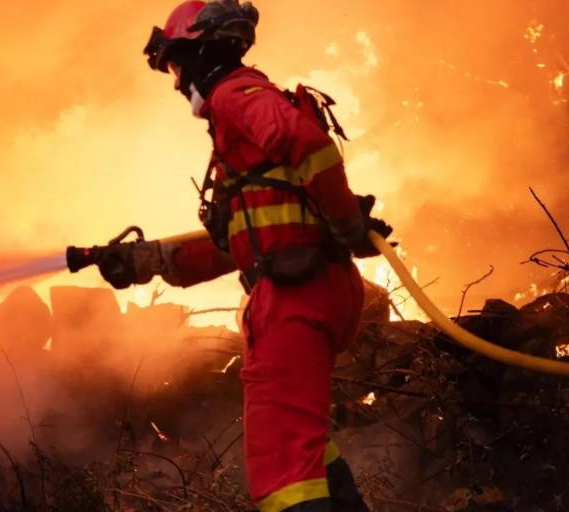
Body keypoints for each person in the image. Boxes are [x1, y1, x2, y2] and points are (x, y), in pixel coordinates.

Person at [102, 1, 392, 510]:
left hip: (293, 300)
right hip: (309, 289)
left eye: (175, 64)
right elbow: (249, 237)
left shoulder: (233, 94)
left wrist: (346, 224)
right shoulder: (242, 125)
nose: (175, 82)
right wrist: (151, 261)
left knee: (281, 470)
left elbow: (305, 142)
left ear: (202, 51)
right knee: (304, 448)